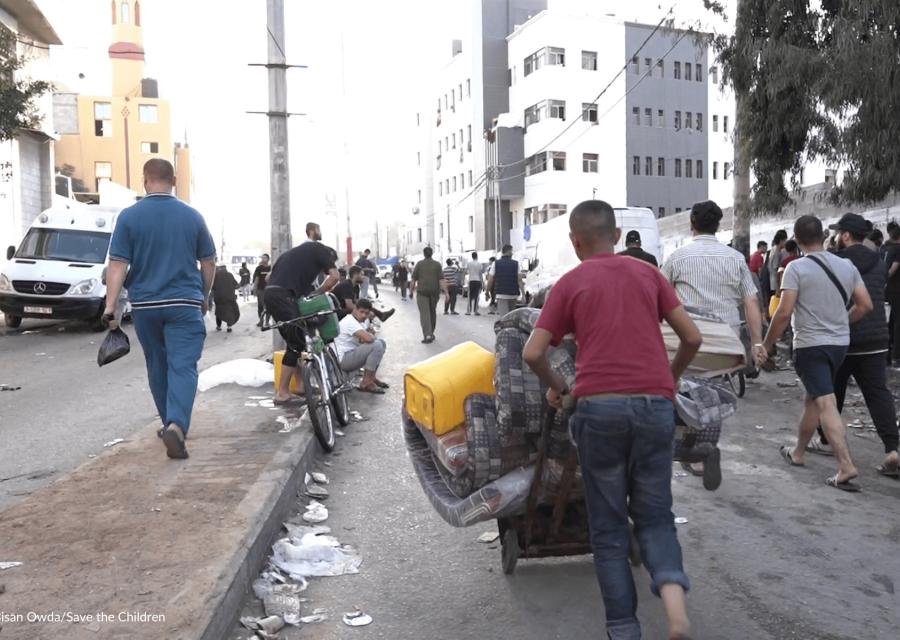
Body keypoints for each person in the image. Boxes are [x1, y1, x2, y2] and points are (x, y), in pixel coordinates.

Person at [523, 199, 701, 640]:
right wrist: (669, 380)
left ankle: (624, 629)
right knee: (656, 516)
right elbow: (692, 337)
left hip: (598, 408)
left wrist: (560, 389)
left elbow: (532, 352)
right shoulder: (649, 274)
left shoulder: (570, 283)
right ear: (618, 236)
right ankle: (676, 609)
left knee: (607, 529)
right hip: (654, 406)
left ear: (574, 241)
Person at [103, 158, 216, 460]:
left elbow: (117, 264)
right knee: (183, 365)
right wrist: (204, 295)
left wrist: (111, 306)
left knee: (157, 364)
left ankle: (169, 421)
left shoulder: (129, 217)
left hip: (146, 306)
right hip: (183, 303)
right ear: (175, 180)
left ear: (145, 180)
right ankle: (177, 425)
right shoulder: (193, 217)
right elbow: (208, 262)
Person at [758, 215, 873, 492]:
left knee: (825, 403)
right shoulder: (846, 265)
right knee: (813, 398)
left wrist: (767, 343)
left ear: (796, 240)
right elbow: (865, 305)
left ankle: (846, 465)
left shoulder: (796, 268)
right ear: (823, 236)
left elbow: (783, 313)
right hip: (839, 345)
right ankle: (798, 452)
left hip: (811, 346)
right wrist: (841, 322)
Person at [809, 213, 899, 476]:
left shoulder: (836, 262)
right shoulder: (880, 261)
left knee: (829, 391)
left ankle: (826, 441)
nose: (835, 237)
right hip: (877, 338)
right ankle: (892, 449)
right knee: (878, 394)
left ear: (846, 236)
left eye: (838, 233)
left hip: (843, 337)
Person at [264, 238, 340, 405]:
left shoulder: (292, 255)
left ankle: (299, 386)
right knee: (295, 345)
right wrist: (317, 293)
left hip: (272, 296)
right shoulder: (321, 250)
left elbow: (269, 278)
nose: (322, 270)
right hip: (284, 298)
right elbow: (335, 277)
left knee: (296, 340)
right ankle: (282, 393)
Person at [334, 298, 389, 394]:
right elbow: (369, 339)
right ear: (355, 309)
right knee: (376, 345)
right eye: (361, 312)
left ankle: (371, 378)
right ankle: (366, 383)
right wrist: (370, 334)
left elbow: (366, 338)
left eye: (366, 313)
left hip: (351, 355)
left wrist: (369, 333)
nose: (363, 315)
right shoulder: (349, 321)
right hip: (343, 359)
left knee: (381, 343)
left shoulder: (360, 322)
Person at [410, 246, 446, 344]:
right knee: (432, 312)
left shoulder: (419, 264)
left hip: (422, 293)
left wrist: (410, 291)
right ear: (432, 254)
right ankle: (431, 332)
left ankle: (428, 334)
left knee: (425, 314)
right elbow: (441, 280)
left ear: (424, 254)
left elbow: (413, 279)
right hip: (434, 293)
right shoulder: (437, 265)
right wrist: (446, 293)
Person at [486, 244, 522, 316]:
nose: (512, 253)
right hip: (513, 294)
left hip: (501, 294)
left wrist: (487, 292)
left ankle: (504, 326)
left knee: (504, 317)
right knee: (512, 317)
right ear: (509, 252)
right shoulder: (516, 264)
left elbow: (490, 280)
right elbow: (519, 280)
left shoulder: (495, 263)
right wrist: (523, 294)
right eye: (512, 251)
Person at [884, 224, 900, 368]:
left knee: (890, 322)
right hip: (896, 290)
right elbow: (892, 270)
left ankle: (887, 355)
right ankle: (896, 356)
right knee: (897, 323)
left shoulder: (886, 249)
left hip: (888, 290)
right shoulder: (898, 250)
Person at [212, 264, 240, 332]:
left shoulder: (215, 275)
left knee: (219, 311)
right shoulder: (230, 275)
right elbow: (236, 285)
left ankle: (219, 326)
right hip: (229, 297)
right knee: (229, 311)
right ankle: (229, 327)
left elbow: (212, 286)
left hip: (219, 297)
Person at [252, 254, 272, 326]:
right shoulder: (259, 268)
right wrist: (255, 289)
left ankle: (267, 322)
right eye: (262, 258)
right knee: (260, 306)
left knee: (268, 306)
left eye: (265, 258)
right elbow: (256, 279)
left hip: (269, 290)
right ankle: (261, 321)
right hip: (260, 290)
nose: (263, 259)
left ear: (268, 259)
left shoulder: (271, 268)